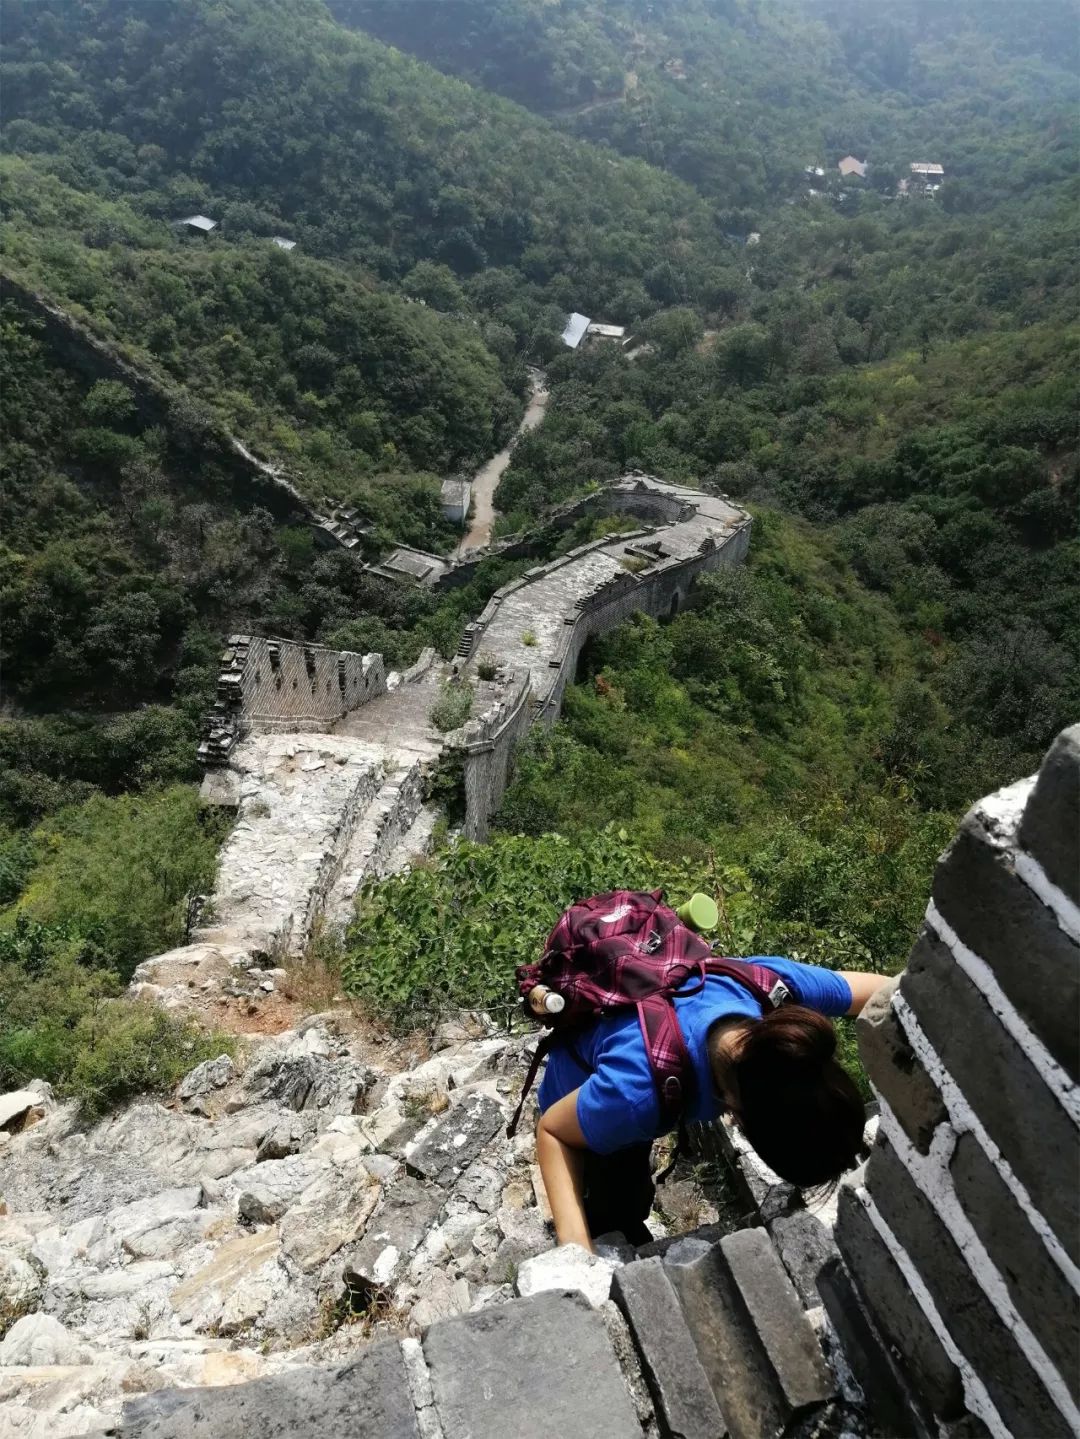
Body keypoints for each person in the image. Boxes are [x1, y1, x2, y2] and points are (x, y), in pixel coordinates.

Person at [535, 957, 889, 1249]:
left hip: (639, 1070)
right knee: (615, 1202)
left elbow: (885, 992)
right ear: (736, 1114)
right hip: (576, 1098)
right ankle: (617, 1229)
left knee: (631, 1184)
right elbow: (554, 1132)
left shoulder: (769, 990)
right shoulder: (634, 1096)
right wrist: (579, 1261)